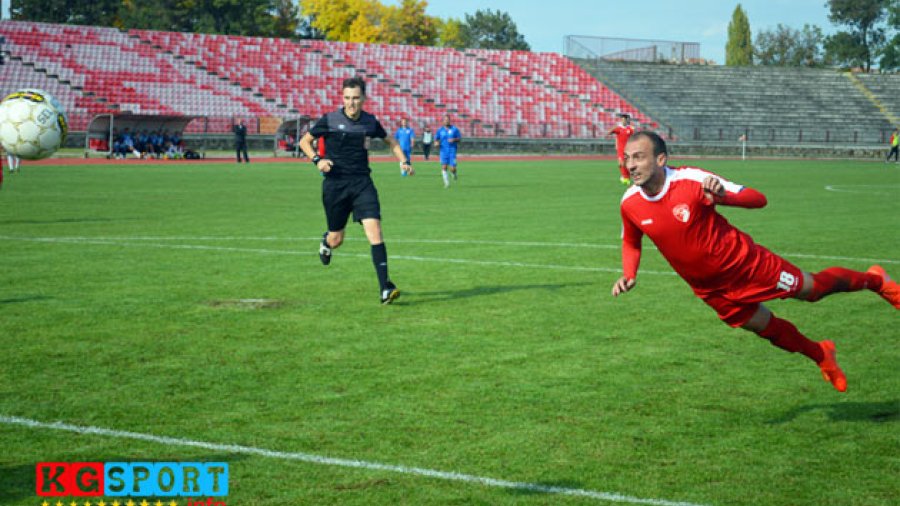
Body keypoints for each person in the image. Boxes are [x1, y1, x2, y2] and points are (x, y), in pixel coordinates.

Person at [611, 131, 899, 393]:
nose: (631, 165)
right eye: (627, 158)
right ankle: (821, 354)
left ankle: (876, 281)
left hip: (747, 265)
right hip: (709, 290)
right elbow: (631, 241)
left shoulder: (692, 180)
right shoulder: (629, 203)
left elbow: (758, 199)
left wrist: (722, 196)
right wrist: (629, 274)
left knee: (813, 290)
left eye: (639, 157)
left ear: (661, 159)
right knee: (767, 329)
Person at [298, 76, 413, 305]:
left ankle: (385, 288)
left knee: (375, 232)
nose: (351, 103)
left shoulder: (370, 121)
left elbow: (391, 141)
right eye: (347, 98)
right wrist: (318, 160)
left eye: (356, 98)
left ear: (364, 98)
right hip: (335, 186)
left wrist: (404, 161)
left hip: (362, 184)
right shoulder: (330, 120)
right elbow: (304, 142)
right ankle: (326, 242)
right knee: (337, 239)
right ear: (342, 98)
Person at [607, 114, 635, 186]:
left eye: (625, 119)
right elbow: (609, 132)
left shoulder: (630, 129)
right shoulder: (618, 128)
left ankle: (627, 177)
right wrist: (614, 127)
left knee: (627, 164)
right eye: (622, 119)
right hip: (621, 149)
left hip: (628, 149)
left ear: (627, 120)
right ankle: (625, 177)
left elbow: (634, 137)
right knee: (621, 163)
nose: (623, 121)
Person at [435, 115, 461, 188]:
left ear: (449, 120)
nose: (446, 121)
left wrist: (454, 139)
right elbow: (436, 139)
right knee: (444, 167)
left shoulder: (454, 129)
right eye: (445, 120)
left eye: (447, 120)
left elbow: (459, 138)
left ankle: (454, 173)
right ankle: (446, 183)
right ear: (443, 121)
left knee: (453, 168)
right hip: (443, 151)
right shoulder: (440, 130)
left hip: (452, 150)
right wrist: (436, 143)